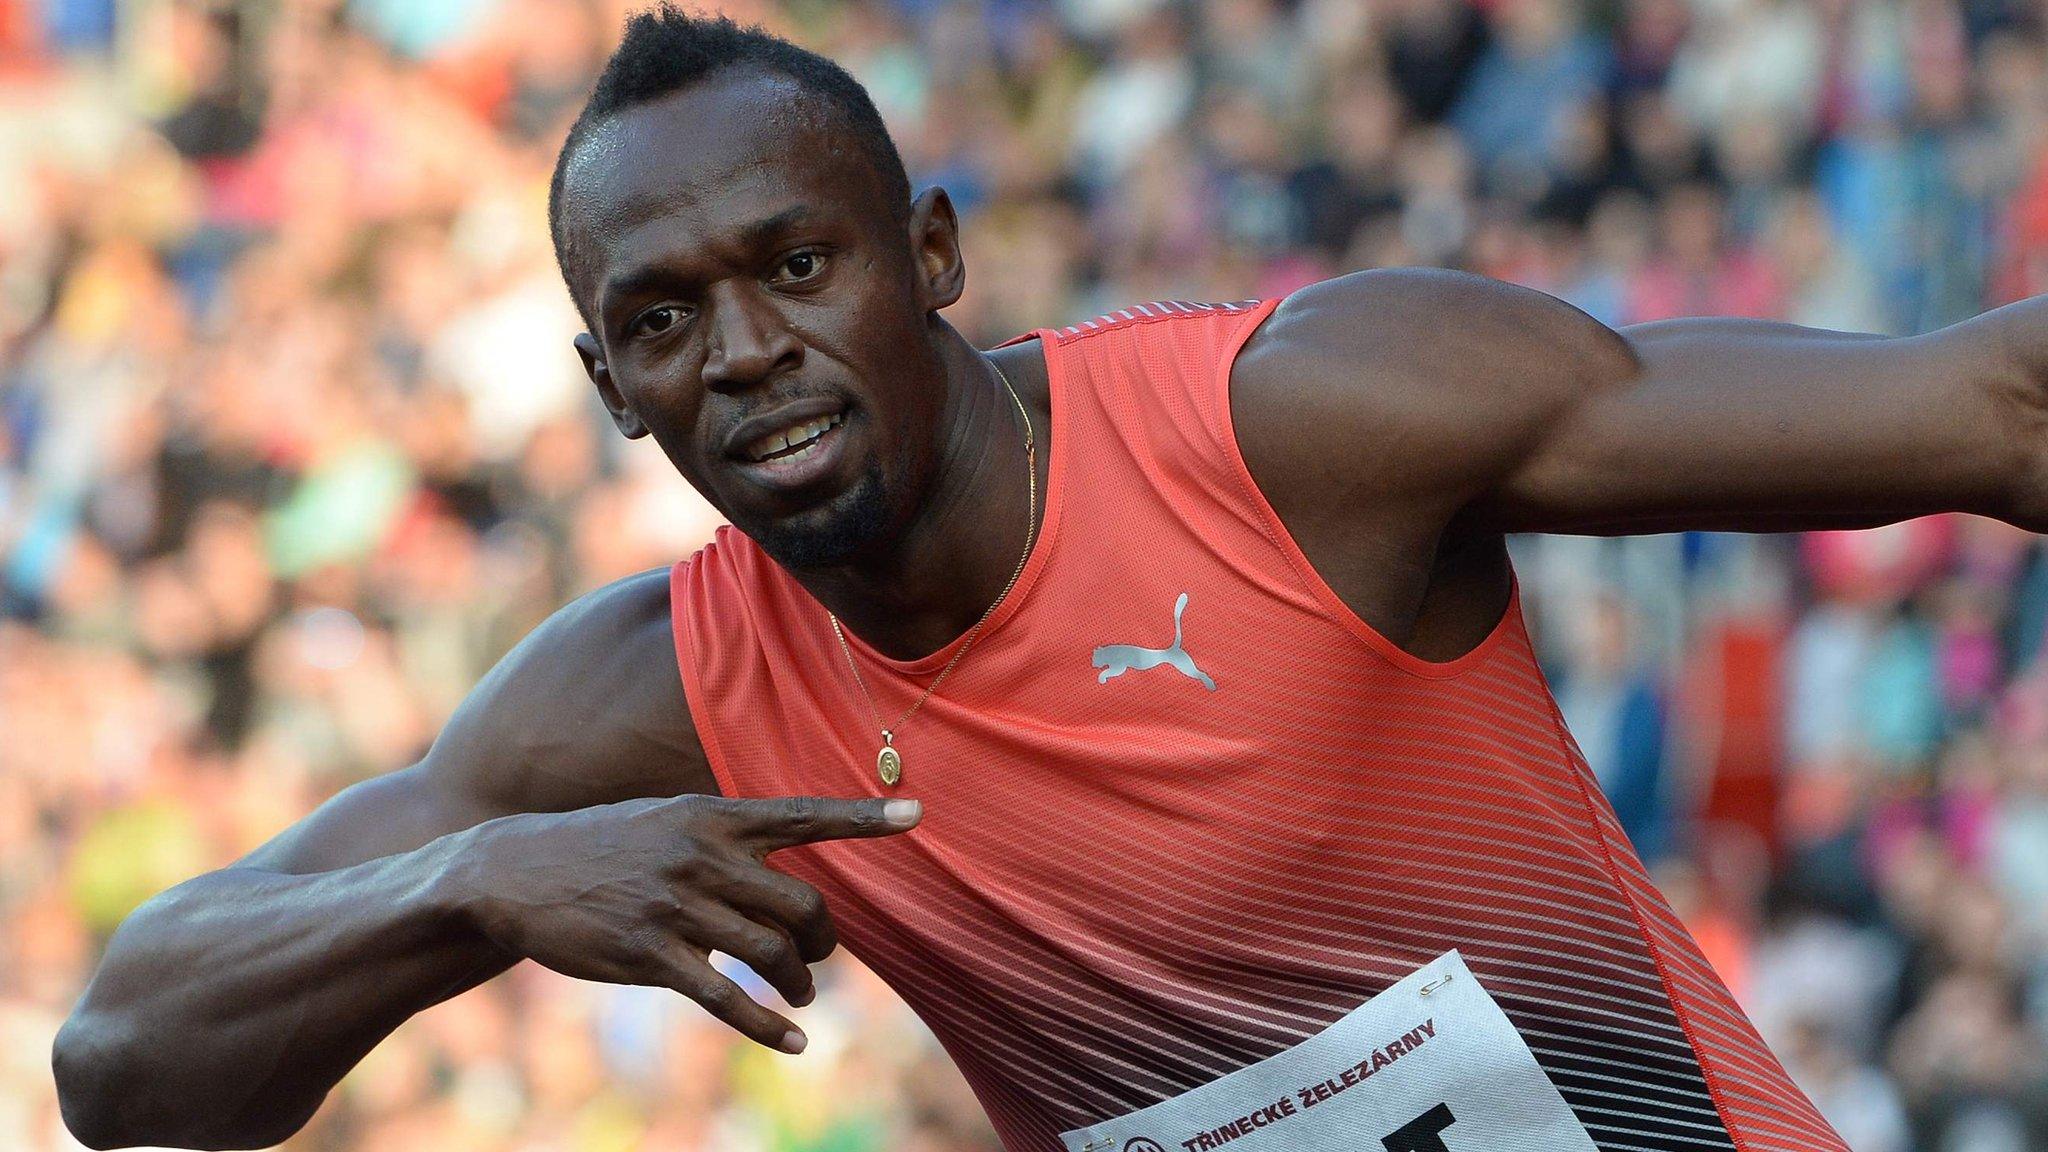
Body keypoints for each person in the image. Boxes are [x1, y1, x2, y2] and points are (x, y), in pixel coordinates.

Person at [51, 8, 2048, 1152]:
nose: (741, 350)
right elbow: (126, 1065)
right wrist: (472, 881)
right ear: (606, 388)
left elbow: (1989, 411)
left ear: (929, 253)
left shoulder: (1298, 432)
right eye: (662, 316)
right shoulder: (658, 700)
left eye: (795, 266)